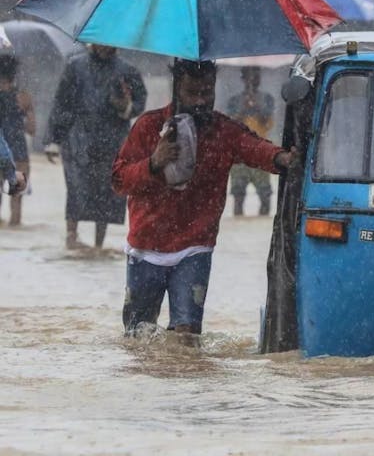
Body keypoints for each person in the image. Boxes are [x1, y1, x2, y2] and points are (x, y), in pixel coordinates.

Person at [112, 59, 296, 339]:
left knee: (187, 336)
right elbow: (119, 180)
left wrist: (282, 158)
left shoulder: (223, 130)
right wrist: (153, 163)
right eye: (192, 93)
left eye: (207, 92)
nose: (201, 100)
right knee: (137, 337)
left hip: (194, 248)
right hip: (145, 248)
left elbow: (254, 148)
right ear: (176, 89)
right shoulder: (148, 127)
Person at [45, 45, 147, 249]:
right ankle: (71, 238)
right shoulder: (75, 66)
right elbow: (62, 103)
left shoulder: (127, 70)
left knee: (107, 191)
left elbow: (139, 101)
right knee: (75, 187)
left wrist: (125, 106)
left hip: (112, 139)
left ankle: (98, 246)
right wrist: (53, 139)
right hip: (78, 138)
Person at [225, 66, 275, 216]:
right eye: (249, 76)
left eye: (256, 76)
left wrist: (258, 107)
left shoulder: (267, 99)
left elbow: (268, 122)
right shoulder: (234, 101)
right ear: (244, 79)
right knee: (238, 195)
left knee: (265, 195)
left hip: (261, 151)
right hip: (240, 153)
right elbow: (231, 124)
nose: (253, 80)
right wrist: (243, 109)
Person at [0, 55, 34, 225]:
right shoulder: (23, 96)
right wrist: (27, 110)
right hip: (19, 153)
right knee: (16, 202)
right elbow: (32, 130)